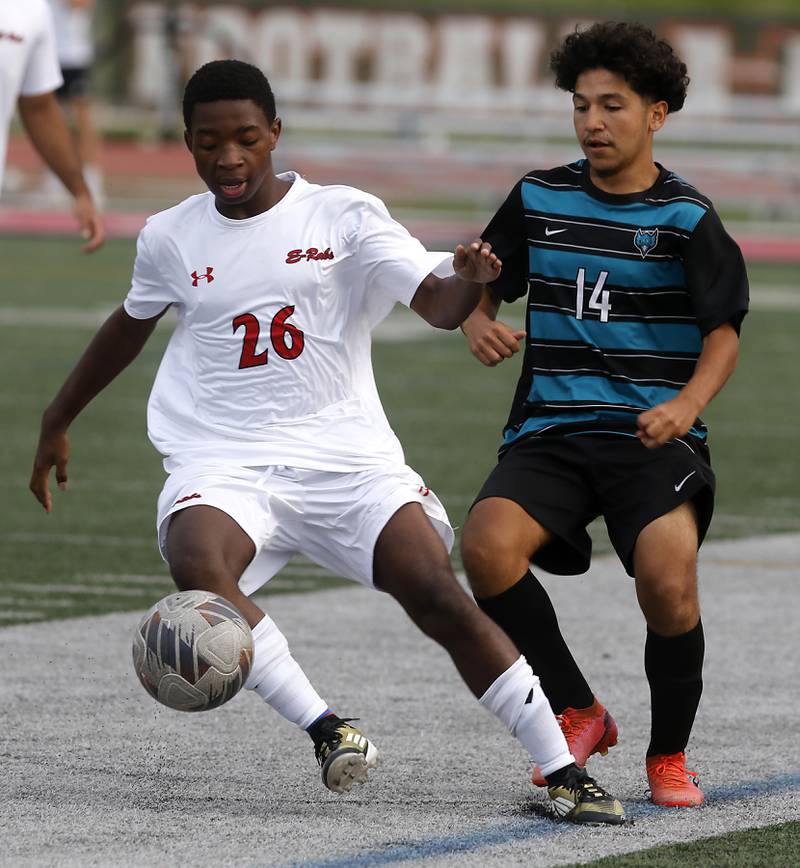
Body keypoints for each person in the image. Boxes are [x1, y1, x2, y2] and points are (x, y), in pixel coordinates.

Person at [29, 59, 625, 824]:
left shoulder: (342, 216)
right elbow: (130, 325)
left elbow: (441, 306)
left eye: (247, 137)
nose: (230, 157)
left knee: (434, 590)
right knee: (199, 565)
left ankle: (564, 769)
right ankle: (327, 727)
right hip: (224, 458)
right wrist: (58, 415)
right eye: (210, 142)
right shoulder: (170, 236)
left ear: (274, 133)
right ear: (188, 144)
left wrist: (473, 279)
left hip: (347, 459)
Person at [459, 21, 749, 808]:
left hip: (655, 440)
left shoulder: (688, 219)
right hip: (552, 433)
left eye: (612, 106)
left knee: (666, 580)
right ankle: (578, 708)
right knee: (484, 547)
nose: (592, 121)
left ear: (656, 114)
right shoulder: (538, 196)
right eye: (582, 105)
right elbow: (481, 280)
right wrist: (475, 315)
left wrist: (684, 405)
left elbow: (723, 336)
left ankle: (669, 756)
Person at [0, 0, 103, 250]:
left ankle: (92, 179)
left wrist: (79, 191)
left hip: (71, 53)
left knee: (80, 116)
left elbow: (40, 110)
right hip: (65, 51)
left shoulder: (30, 9)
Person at [45, 0, 104, 206]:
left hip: (74, 55)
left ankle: (91, 179)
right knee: (50, 120)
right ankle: (54, 177)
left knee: (81, 120)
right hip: (48, 53)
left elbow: (80, 4)